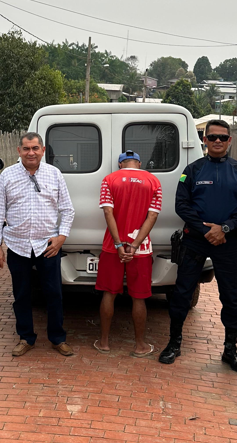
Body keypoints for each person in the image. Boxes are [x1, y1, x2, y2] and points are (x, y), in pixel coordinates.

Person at [159, 119, 237, 372]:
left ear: (229, 140)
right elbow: (182, 205)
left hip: (227, 243)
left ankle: (230, 350)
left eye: (222, 138)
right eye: (212, 137)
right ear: (204, 140)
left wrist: (223, 229)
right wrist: (206, 230)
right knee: (182, 294)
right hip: (195, 242)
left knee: (232, 297)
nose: (217, 141)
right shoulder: (192, 171)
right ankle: (174, 343)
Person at [0, 132, 76, 357]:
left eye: (35, 148)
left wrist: (62, 237)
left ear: (43, 150)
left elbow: (67, 209)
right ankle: (26, 337)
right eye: (26, 148)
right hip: (17, 245)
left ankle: (57, 338)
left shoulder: (54, 174)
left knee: (54, 294)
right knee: (22, 295)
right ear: (19, 151)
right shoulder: (7, 175)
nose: (31, 153)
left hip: (48, 245)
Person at [94, 150, 162, 357]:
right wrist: (134, 245)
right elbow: (152, 216)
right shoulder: (153, 181)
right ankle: (140, 345)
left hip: (112, 247)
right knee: (139, 298)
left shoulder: (109, 179)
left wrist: (118, 244)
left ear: (120, 164)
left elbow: (108, 212)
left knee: (109, 293)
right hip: (140, 248)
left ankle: (104, 342)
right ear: (139, 164)